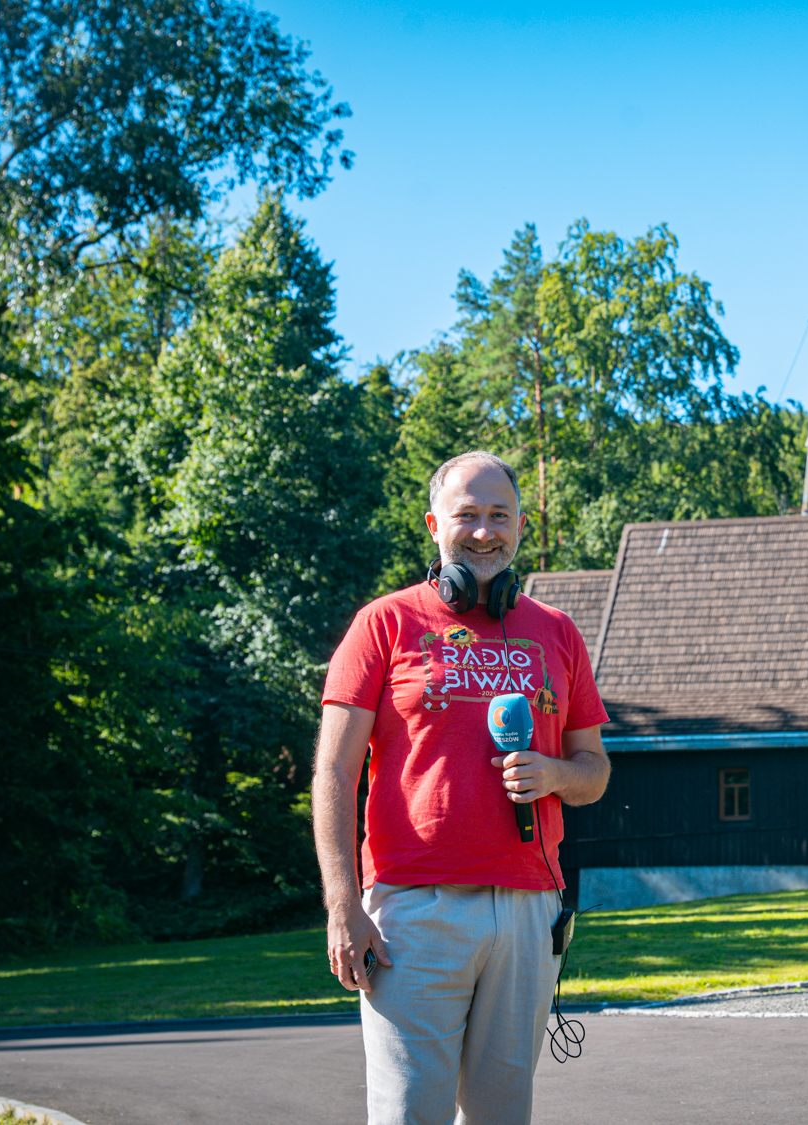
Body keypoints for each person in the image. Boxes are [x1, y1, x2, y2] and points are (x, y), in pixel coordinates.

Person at [312, 450, 611, 1125]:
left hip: (531, 909)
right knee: (408, 1115)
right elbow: (334, 771)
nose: (484, 532)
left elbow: (594, 770)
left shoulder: (556, 631)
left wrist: (554, 773)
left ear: (520, 526)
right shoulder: (384, 624)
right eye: (467, 515)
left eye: (498, 515)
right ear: (433, 525)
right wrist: (341, 905)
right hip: (412, 913)